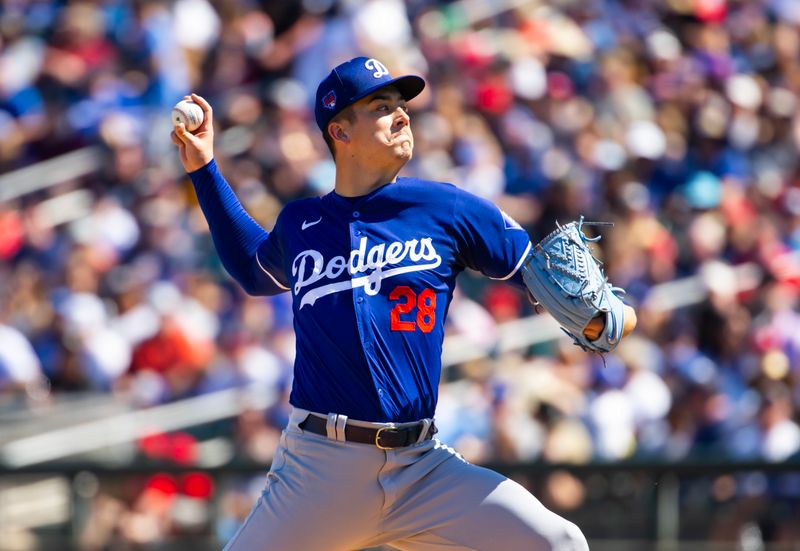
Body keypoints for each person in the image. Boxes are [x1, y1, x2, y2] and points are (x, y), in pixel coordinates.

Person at [171, 56, 636, 551]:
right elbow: (251, 268)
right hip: (319, 471)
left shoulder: (446, 209)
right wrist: (204, 168)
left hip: (422, 469)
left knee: (559, 542)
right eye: (381, 106)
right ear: (340, 132)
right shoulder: (301, 223)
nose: (402, 115)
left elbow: (540, 277)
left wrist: (603, 317)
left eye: (401, 104)